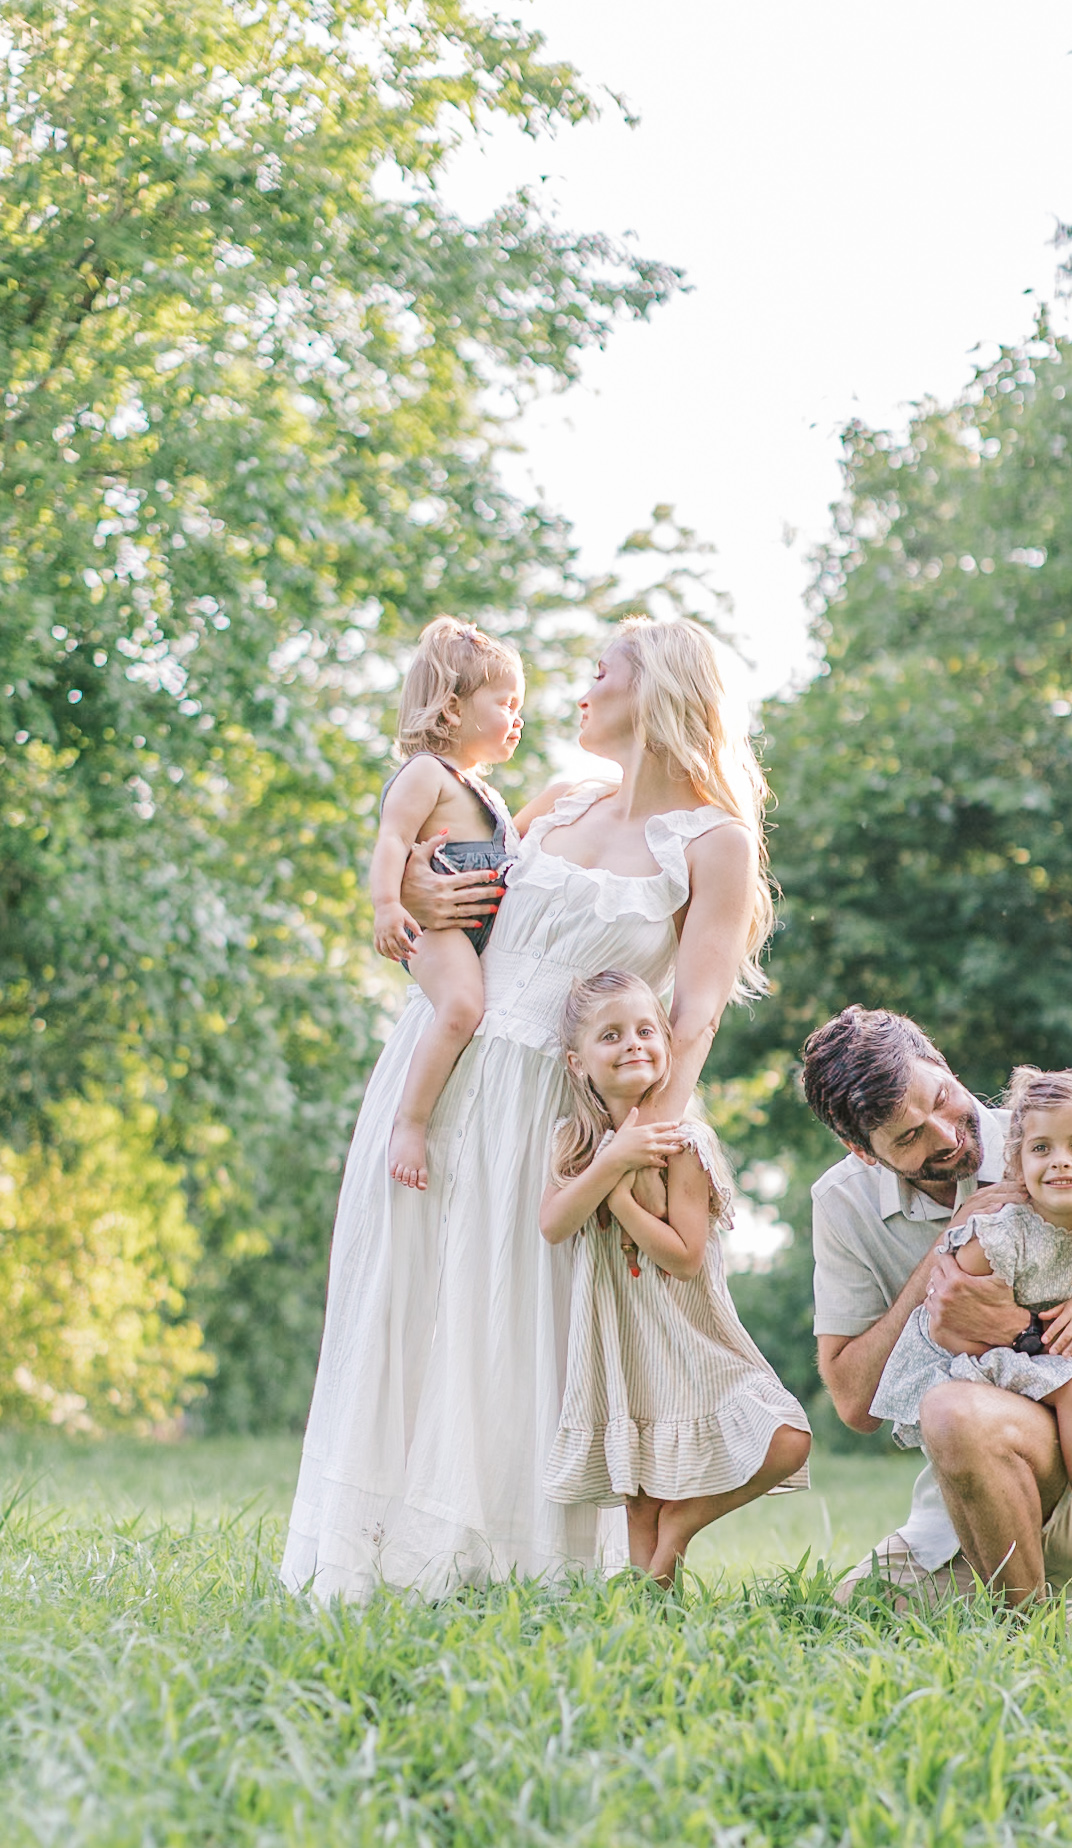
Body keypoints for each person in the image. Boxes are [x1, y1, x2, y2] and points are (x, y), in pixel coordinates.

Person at [281, 616, 774, 1600]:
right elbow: (440, 889)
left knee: (519, 1325)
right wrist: (416, 887)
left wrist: (639, 1143)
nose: (578, 691)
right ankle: (379, 1562)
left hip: (556, 1114)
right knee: (417, 1306)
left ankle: (513, 1567)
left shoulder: (713, 842)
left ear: (662, 688)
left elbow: (694, 1013)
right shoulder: (548, 809)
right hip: (442, 1080)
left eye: (601, 672)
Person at [801, 1006, 1072, 1612]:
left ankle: (1032, 1625)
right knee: (853, 1610)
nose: (946, 1135)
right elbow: (854, 1402)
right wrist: (947, 1247)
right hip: (964, 1504)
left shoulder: (1063, 1143)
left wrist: (1019, 1330)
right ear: (863, 1150)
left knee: (953, 1410)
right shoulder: (842, 1203)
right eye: (908, 1137)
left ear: (943, 1064)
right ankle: (1045, 1609)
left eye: (942, 1098)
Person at [539, 969, 810, 1583]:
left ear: (666, 1044)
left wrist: (622, 1200)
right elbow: (554, 1224)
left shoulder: (684, 1141)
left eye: (645, 1030)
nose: (632, 1043)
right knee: (641, 1485)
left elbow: (684, 1257)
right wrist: (611, 1162)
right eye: (611, 1035)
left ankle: (681, 1527)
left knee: (786, 1436)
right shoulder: (574, 1142)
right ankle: (651, 1601)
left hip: (688, 1329)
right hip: (622, 1334)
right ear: (578, 1062)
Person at [369, 618, 525, 1191]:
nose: (518, 717)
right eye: (505, 703)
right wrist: (389, 905)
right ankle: (409, 1124)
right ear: (454, 708)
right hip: (440, 933)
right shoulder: (426, 774)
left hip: (476, 933)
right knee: (461, 1009)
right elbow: (391, 840)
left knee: (473, 1009)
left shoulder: (484, 791)